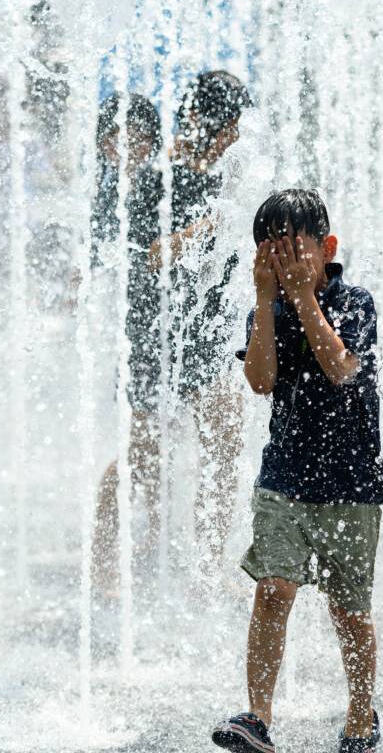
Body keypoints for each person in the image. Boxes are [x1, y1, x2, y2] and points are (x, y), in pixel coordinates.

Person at [212, 190, 383, 753]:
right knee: (272, 590)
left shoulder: (356, 303)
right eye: (272, 254)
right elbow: (262, 381)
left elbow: (340, 366)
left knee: (348, 608)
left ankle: (361, 716)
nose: (287, 264)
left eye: (297, 251)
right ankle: (258, 716)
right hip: (284, 478)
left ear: (327, 248)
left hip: (351, 482)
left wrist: (303, 299)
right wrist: (269, 301)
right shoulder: (264, 311)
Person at [154, 70, 253, 586]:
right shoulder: (168, 172)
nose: (241, 137)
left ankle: (205, 569)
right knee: (146, 451)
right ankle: (122, 556)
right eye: (235, 124)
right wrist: (221, 218)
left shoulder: (228, 171)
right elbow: (156, 251)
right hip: (168, 331)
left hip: (211, 330)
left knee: (223, 448)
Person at [88, 92, 166, 591]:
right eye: (114, 136)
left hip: (163, 333)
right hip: (141, 337)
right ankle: (102, 555)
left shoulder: (150, 185)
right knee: (140, 447)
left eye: (135, 136)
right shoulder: (114, 193)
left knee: (155, 451)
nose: (124, 145)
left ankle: (153, 544)